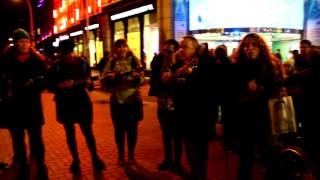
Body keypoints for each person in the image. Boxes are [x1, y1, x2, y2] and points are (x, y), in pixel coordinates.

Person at [47, 39, 105, 174]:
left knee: (87, 131)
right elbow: (49, 85)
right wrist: (60, 86)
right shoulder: (56, 66)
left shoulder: (82, 62)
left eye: (70, 51)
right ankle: (76, 161)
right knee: (70, 133)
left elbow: (88, 83)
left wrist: (89, 83)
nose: (69, 55)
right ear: (61, 53)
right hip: (65, 102)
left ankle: (95, 159)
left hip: (81, 100)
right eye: (65, 52)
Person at [232, 33, 285, 180]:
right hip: (246, 121)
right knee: (245, 160)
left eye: (254, 45)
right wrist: (244, 88)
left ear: (261, 47)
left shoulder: (270, 66)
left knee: (270, 159)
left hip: (267, 120)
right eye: (246, 46)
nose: (250, 48)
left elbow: (277, 88)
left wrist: (261, 89)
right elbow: (230, 93)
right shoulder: (237, 68)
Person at [167, 35, 216, 179]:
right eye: (180, 46)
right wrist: (175, 76)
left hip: (200, 119)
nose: (181, 50)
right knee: (189, 153)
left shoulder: (205, 63)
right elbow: (173, 89)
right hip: (184, 118)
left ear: (195, 49)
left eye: (185, 47)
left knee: (198, 156)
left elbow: (208, 89)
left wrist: (191, 75)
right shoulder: (178, 65)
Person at [1, 28, 48, 179]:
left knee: (36, 139)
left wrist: (34, 83)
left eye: (27, 41)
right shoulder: (6, 61)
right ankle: (22, 167)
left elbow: (44, 81)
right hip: (14, 106)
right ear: (15, 43)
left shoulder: (37, 60)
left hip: (32, 105)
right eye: (21, 41)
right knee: (18, 140)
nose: (24, 44)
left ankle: (40, 166)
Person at [100, 39, 145, 166]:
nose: (121, 49)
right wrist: (111, 77)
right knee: (119, 130)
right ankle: (120, 155)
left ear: (127, 47)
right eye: (118, 47)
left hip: (132, 101)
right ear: (115, 49)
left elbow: (143, 79)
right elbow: (103, 78)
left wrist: (138, 78)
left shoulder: (134, 60)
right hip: (117, 101)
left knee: (132, 130)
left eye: (124, 46)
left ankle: (131, 155)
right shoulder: (112, 61)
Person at [149, 39, 183, 173]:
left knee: (177, 136)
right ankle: (168, 160)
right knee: (166, 134)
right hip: (163, 105)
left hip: (177, 106)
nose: (167, 53)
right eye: (165, 50)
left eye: (170, 50)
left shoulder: (181, 65)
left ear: (176, 51)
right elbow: (154, 82)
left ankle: (177, 162)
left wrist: (174, 70)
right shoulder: (158, 64)